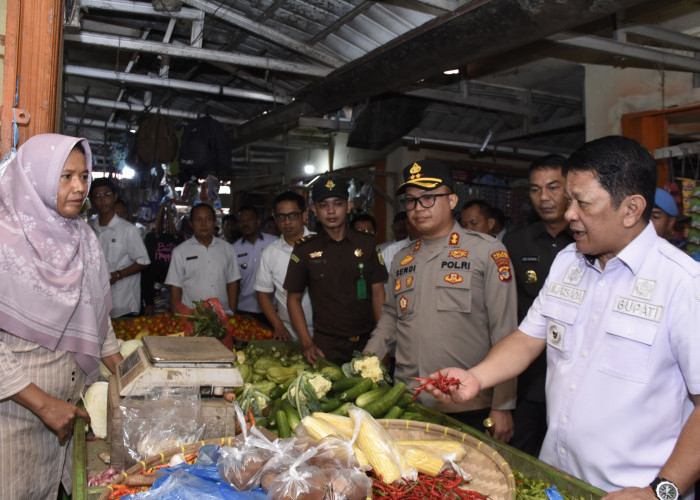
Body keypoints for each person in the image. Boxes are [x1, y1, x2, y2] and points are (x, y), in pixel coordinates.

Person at [427, 136, 700, 499]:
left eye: (582, 203)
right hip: (555, 477)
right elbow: (527, 340)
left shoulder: (683, 283)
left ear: (632, 209)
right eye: (570, 200)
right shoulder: (568, 262)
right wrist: (476, 378)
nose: (569, 213)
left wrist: (662, 490)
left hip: (631, 490)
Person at [0, 134, 123, 499]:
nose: (78, 188)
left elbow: (97, 316)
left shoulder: (83, 238)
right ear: (34, 177)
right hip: (14, 418)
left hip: (70, 416)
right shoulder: (4, 241)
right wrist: (43, 404)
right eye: (65, 176)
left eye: (84, 177)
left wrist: (129, 375)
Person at [365, 160, 518, 441]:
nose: (418, 208)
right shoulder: (403, 258)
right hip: (409, 399)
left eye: (428, 198)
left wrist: (503, 404)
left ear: (451, 200)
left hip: (466, 403)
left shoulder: (486, 251)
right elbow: (390, 317)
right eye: (410, 201)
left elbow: (506, 331)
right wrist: (367, 360)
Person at [502, 154, 572, 456]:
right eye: (535, 189)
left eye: (553, 187)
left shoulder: (589, 240)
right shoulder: (516, 243)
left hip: (574, 377)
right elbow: (506, 312)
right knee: (523, 456)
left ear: (571, 187)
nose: (544, 197)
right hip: (530, 376)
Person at [284, 176, 388, 365]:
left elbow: (378, 293)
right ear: (314, 210)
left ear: (348, 206)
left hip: (367, 344)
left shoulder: (367, 243)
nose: (331, 211)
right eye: (323, 205)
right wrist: (307, 343)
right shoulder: (305, 250)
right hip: (325, 348)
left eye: (338, 204)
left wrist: (382, 342)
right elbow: (293, 298)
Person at [254, 191, 315, 341]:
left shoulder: (321, 244)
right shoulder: (270, 252)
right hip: (289, 330)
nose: (287, 222)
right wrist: (278, 325)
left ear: (305, 215)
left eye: (293, 215)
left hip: (324, 330)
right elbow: (262, 293)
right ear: (275, 218)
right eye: (282, 217)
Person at [89, 178, 150, 317]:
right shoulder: (90, 229)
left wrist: (118, 275)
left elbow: (143, 261)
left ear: (115, 197)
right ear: (92, 200)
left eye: (107, 195)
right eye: (97, 196)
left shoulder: (127, 229)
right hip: (97, 303)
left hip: (123, 302)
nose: (102, 200)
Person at [166, 203, 241, 315]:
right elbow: (175, 287)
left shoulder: (227, 249)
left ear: (215, 221)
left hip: (222, 316)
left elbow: (233, 282)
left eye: (208, 219)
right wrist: (178, 317)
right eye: (198, 219)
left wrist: (232, 312)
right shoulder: (180, 252)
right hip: (192, 318)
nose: (204, 224)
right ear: (191, 223)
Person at [232, 205, 275, 323]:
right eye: (242, 220)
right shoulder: (234, 249)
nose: (245, 223)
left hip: (272, 310)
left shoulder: (274, 243)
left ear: (258, 221)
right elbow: (233, 283)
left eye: (249, 219)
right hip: (244, 309)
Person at [141, 203, 182, 316]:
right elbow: (146, 273)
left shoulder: (179, 239)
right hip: (156, 288)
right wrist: (148, 302)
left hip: (173, 287)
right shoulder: (151, 238)